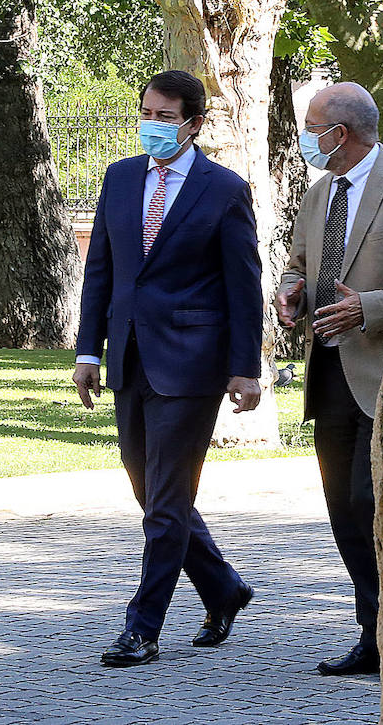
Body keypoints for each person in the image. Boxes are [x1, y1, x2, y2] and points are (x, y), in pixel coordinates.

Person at [72, 70, 262, 668]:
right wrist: (87, 351)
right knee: (151, 491)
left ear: (194, 124)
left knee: (166, 499)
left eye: (165, 117)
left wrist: (245, 368)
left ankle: (143, 627)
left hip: (191, 365)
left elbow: (244, 285)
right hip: (127, 355)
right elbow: (100, 269)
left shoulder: (223, 189)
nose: (152, 125)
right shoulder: (120, 178)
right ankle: (224, 588)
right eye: (146, 114)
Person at [275, 83, 383, 676]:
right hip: (326, 370)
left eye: (311, 125)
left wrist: (370, 307)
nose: (305, 136)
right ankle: (372, 634)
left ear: (341, 133)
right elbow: (299, 264)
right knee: (339, 507)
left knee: (366, 500)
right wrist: (290, 290)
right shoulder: (320, 191)